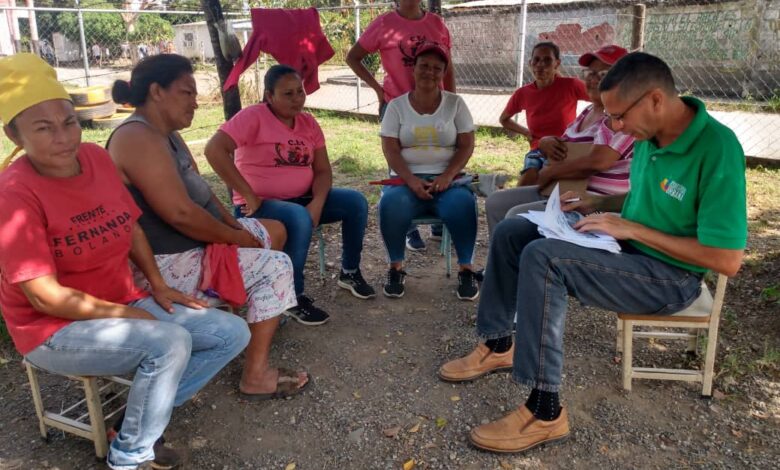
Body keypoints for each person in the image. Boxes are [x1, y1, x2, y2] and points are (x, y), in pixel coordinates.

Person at [438, 52, 747, 453]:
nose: (614, 126)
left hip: (671, 279)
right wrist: (596, 209)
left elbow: (727, 260)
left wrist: (632, 228)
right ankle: (499, 344)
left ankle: (545, 411)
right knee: (515, 230)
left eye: (619, 116)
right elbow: (641, 199)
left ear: (655, 99)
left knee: (545, 258)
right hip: (626, 249)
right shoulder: (650, 136)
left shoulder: (717, 148)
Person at [0, 53, 250, 470]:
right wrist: (130, 316)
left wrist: (157, 284)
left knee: (231, 332)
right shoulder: (14, 195)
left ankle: (135, 418)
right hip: (52, 329)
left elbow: (130, 225)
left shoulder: (96, 159)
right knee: (169, 343)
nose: (63, 137)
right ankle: (130, 456)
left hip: (123, 299)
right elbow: (44, 298)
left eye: (69, 122)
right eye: (43, 128)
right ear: (15, 135)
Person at [107, 54, 310, 400]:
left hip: (193, 247)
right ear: (157, 92)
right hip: (165, 263)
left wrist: (233, 223)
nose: (196, 102)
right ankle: (255, 374)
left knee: (272, 230)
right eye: (187, 93)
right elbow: (181, 214)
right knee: (276, 266)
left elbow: (201, 193)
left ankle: (258, 313)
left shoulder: (165, 134)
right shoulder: (136, 137)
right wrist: (234, 238)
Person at [205, 64, 375, 326]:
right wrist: (247, 194)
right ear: (269, 95)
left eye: (300, 91)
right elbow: (214, 150)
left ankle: (350, 271)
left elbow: (322, 171)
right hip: (259, 205)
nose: (297, 99)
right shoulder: (253, 117)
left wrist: (317, 203)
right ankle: (291, 296)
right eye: (288, 94)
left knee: (355, 202)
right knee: (297, 217)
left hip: (303, 199)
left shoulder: (308, 122)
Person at [486, 44, 633, 236]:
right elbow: (562, 142)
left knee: (514, 219)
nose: (593, 79)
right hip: (563, 190)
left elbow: (596, 162)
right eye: (589, 73)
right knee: (496, 202)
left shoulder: (623, 117)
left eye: (604, 74)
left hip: (591, 202)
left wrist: (551, 172)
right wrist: (545, 141)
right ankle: (499, 265)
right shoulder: (588, 111)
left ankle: (515, 261)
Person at [346, 0, 454, 252]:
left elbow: (448, 66)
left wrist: (452, 100)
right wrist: (377, 89)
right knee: (400, 164)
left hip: (434, 105)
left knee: (440, 158)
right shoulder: (384, 23)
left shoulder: (437, 24)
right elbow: (353, 57)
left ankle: (438, 216)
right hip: (397, 104)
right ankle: (408, 226)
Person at [378, 44, 479, 301]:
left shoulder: (455, 104)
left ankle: (466, 269)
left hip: (448, 180)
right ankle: (395, 268)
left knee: (463, 204)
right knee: (390, 203)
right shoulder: (397, 106)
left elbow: (467, 144)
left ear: (444, 73)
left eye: (437, 68)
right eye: (424, 66)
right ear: (413, 69)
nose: (430, 72)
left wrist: (447, 176)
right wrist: (411, 180)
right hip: (406, 179)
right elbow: (390, 149)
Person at [499, 41, 588, 187]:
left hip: (565, 148)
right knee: (529, 177)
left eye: (547, 60)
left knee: (549, 181)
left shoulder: (570, 85)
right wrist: (526, 132)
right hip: (538, 148)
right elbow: (504, 119)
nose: (540, 65)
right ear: (530, 63)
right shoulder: (523, 93)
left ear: (556, 64)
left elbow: (600, 100)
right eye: (536, 60)